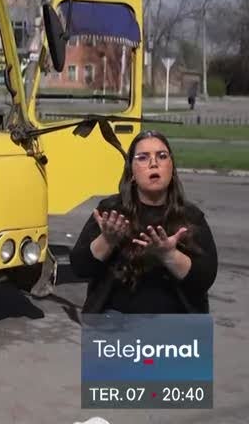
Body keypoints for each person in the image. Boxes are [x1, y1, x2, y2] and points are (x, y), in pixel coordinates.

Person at [69, 130, 218, 314]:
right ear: (131, 172)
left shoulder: (191, 217)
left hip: (177, 327)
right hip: (113, 326)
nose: (154, 163)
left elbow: (204, 280)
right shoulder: (111, 212)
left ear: (171, 169)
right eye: (143, 157)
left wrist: (169, 255)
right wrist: (107, 241)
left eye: (162, 156)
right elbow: (80, 267)